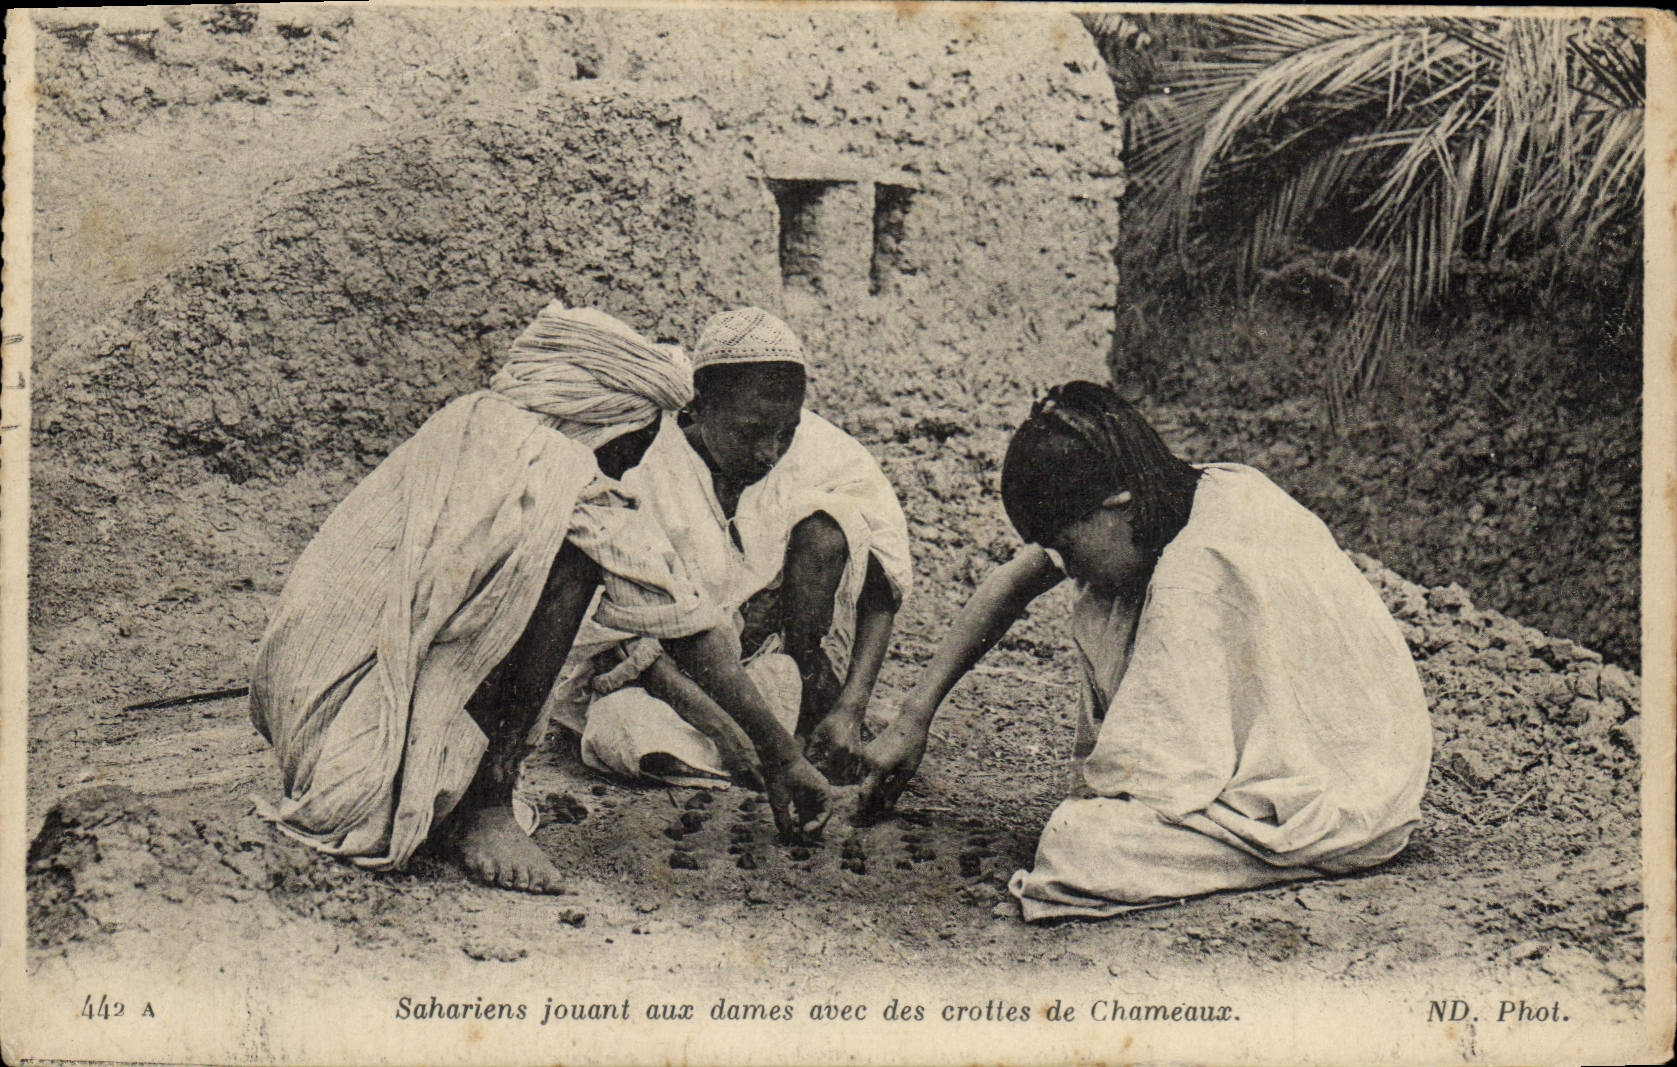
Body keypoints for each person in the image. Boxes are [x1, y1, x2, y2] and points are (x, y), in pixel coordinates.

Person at [250, 302, 830, 895]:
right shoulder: (552, 469)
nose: (633, 462)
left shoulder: (471, 425)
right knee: (572, 559)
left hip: (315, 718)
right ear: (609, 420)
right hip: (352, 746)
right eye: (638, 439)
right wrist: (783, 757)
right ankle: (486, 804)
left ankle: (453, 783)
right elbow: (681, 620)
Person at [858, 380, 1431, 920]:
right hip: (1358, 762)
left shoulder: (1195, 573)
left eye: (1067, 545)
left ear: (1117, 501)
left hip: (1342, 800)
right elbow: (1017, 579)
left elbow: (1160, 783)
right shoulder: (1201, 487)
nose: (1065, 565)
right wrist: (914, 717)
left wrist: (1109, 804)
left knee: (1080, 844)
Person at [548, 308, 911, 787]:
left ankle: (803, 724)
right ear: (700, 405)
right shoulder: (645, 462)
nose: (769, 453)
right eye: (749, 432)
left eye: (786, 433)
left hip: (771, 670)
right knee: (626, 726)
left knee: (832, 523)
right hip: (671, 685)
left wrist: (850, 709)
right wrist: (729, 734)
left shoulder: (824, 450)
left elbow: (883, 582)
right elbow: (622, 638)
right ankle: (771, 750)